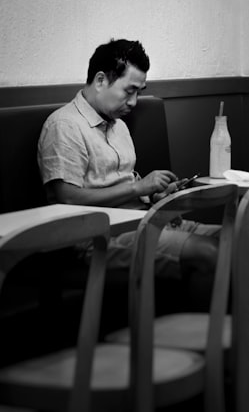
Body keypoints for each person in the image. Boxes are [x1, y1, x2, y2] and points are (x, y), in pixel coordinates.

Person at [37, 38, 220, 306]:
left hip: (145, 221)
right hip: (98, 240)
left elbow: (127, 184)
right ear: (100, 81)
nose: (134, 102)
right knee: (209, 252)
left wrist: (157, 194)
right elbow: (68, 199)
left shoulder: (118, 125)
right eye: (129, 91)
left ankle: (242, 338)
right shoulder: (64, 126)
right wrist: (139, 188)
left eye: (139, 92)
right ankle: (208, 343)